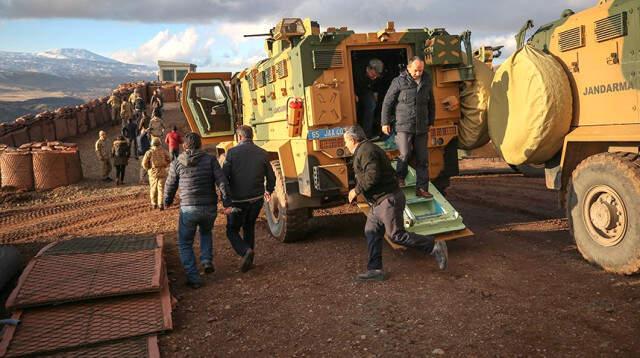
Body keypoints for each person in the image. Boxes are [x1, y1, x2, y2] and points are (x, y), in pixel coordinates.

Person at [343, 126, 447, 281]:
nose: (345, 146)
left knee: (396, 235)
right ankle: (375, 270)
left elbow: (372, 176)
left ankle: (434, 246)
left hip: (388, 200)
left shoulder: (366, 151)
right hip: (379, 202)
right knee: (371, 231)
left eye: (346, 142)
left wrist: (356, 190)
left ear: (352, 140)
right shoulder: (365, 150)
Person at [164, 132, 232, 288]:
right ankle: (206, 260)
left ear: (184, 146)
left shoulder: (177, 163)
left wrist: (166, 201)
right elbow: (222, 182)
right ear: (200, 144)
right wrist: (226, 202)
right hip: (209, 207)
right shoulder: (210, 160)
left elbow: (170, 184)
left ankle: (194, 278)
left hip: (188, 208)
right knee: (206, 232)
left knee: (184, 243)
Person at [222, 125, 276, 273]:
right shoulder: (262, 153)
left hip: (238, 201)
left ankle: (245, 251)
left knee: (232, 230)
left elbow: (224, 178)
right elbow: (271, 176)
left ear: (239, 137)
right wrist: (269, 190)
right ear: (251, 136)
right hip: (256, 199)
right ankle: (249, 259)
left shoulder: (231, 153)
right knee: (249, 226)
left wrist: (225, 200)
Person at [381, 56, 436, 199]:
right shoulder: (399, 82)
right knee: (404, 154)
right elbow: (387, 102)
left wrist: (431, 121)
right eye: (416, 70)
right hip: (404, 125)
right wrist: (385, 122)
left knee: (422, 159)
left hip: (422, 126)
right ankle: (400, 178)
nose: (419, 73)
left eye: (421, 70)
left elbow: (431, 102)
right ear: (409, 68)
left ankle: (422, 189)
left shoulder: (427, 80)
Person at [355, 58, 385, 139]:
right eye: (374, 74)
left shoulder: (376, 77)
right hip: (354, 89)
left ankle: (367, 134)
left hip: (366, 90)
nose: (375, 77)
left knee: (371, 104)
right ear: (369, 68)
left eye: (377, 75)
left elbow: (376, 86)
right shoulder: (357, 71)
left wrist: (375, 94)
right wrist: (353, 93)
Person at [142, 137, 170, 210]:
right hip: (162, 172)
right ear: (160, 143)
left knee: (153, 188)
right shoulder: (164, 151)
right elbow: (170, 158)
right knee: (161, 188)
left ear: (152, 144)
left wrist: (148, 168)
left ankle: (154, 203)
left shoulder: (149, 152)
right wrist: (165, 164)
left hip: (153, 173)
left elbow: (144, 163)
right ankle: (161, 204)